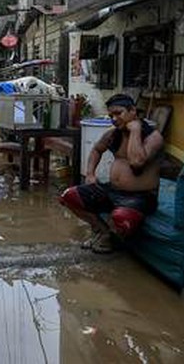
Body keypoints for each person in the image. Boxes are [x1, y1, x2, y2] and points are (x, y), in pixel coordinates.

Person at [58, 94, 164, 253]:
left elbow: (136, 162)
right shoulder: (113, 133)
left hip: (140, 197)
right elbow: (96, 150)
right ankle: (102, 231)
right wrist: (90, 174)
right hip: (112, 191)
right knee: (69, 196)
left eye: (118, 113)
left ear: (132, 111)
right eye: (111, 115)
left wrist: (135, 130)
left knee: (121, 218)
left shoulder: (153, 137)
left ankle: (112, 237)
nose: (114, 119)